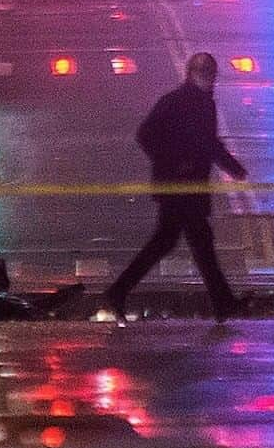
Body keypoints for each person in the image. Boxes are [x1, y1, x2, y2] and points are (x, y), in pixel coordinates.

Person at [104, 52, 250, 324]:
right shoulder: (183, 102)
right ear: (193, 74)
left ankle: (119, 291)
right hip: (181, 187)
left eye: (210, 75)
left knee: (175, 242)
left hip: (185, 186)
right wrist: (175, 163)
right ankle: (223, 302)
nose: (208, 80)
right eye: (204, 74)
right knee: (196, 242)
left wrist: (230, 166)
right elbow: (147, 134)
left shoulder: (194, 102)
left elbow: (206, 142)